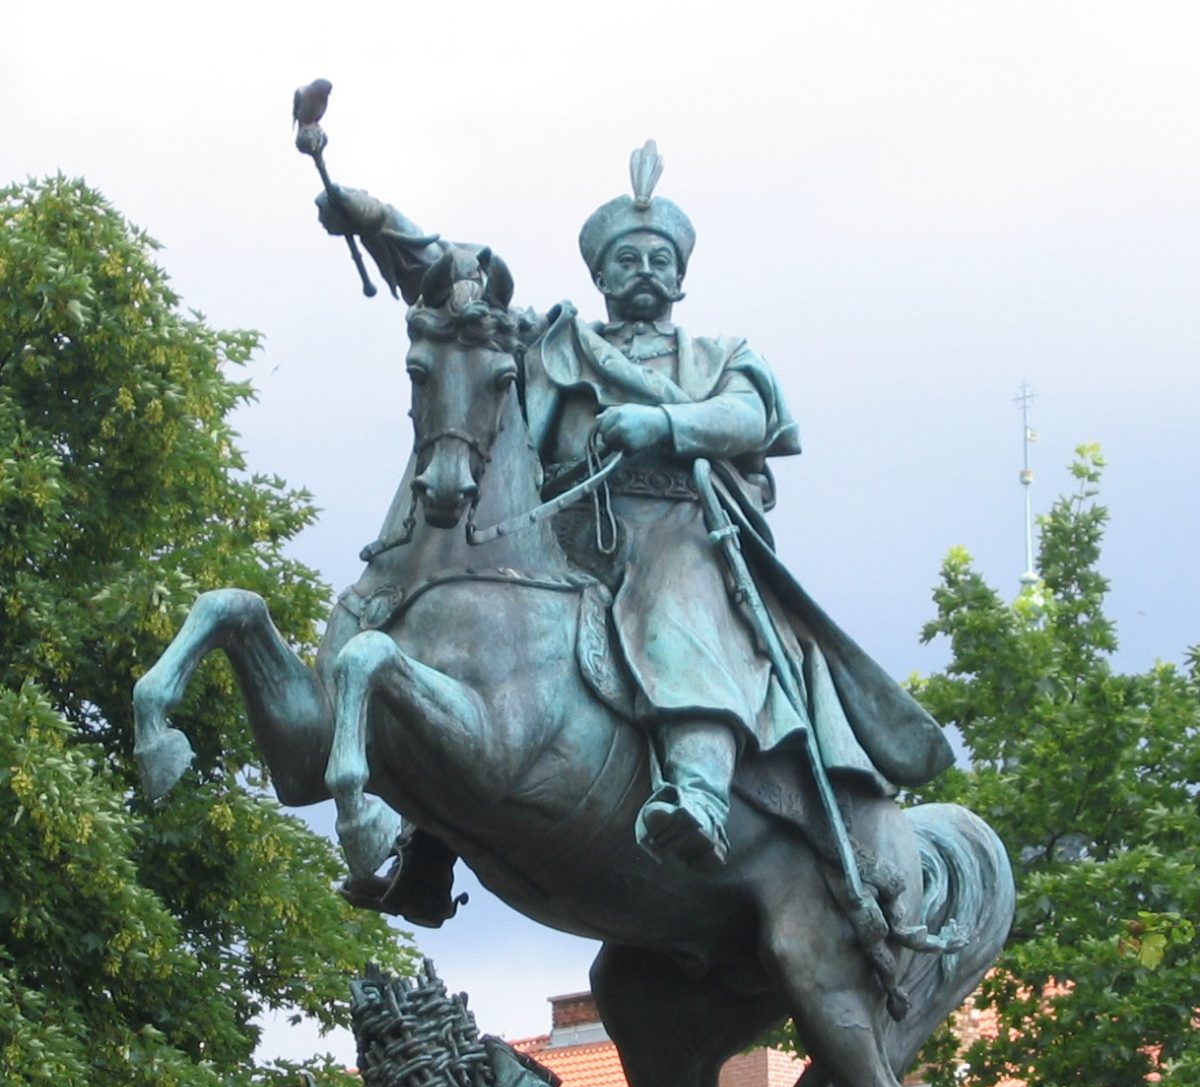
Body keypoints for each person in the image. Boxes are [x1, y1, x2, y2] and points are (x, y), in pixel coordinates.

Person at [318, 144, 952, 913]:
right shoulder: (555, 342)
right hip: (564, 534)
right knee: (470, 635)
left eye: (659, 257)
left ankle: (699, 793)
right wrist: (377, 219)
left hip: (676, 529)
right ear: (601, 277)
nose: (644, 268)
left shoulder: (721, 355)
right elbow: (460, 282)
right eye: (626, 258)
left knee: (672, 617)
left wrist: (662, 422)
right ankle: (430, 848)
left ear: (681, 276)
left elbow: (752, 414)